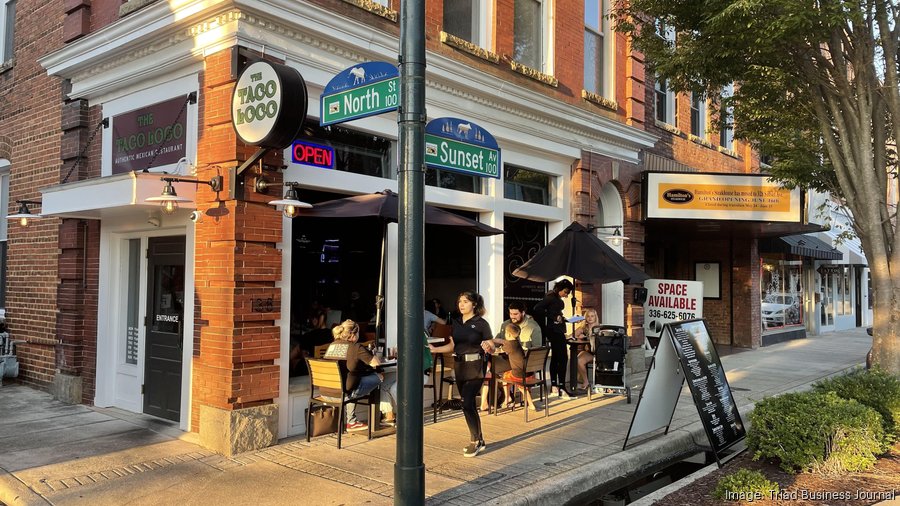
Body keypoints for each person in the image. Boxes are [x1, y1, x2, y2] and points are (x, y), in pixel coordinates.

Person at [429, 290, 493, 457]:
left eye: (465, 301)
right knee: (469, 405)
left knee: (466, 402)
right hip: (460, 366)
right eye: (460, 302)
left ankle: (475, 441)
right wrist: (435, 349)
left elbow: (491, 345)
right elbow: (453, 346)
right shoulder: (456, 323)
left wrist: (489, 347)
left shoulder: (481, 323)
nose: (461, 304)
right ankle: (480, 439)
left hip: (476, 365)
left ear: (474, 304)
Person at [331, 320, 396, 432]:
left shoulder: (333, 345)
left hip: (328, 392)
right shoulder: (356, 347)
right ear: (353, 334)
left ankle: (352, 421)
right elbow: (376, 363)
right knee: (379, 377)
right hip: (344, 393)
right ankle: (376, 418)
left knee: (353, 381)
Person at [481, 323, 541, 411]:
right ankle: (511, 399)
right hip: (528, 372)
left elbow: (496, 350)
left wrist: (490, 347)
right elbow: (502, 341)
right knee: (508, 374)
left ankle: (508, 398)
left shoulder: (509, 345)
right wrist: (491, 340)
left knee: (506, 377)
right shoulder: (516, 342)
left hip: (519, 374)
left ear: (508, 334)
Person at [532, 279, 574, 398]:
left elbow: (554, 313)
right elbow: (537, 308)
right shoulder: (551, 298)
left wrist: (561, 318)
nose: (566, 295)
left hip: (556, 330)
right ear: (560, 289)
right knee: (563, 358)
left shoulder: (554, 298)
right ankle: (561, 387)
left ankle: (555, 386)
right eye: (565, 292)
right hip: (554, 331)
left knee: (556, 357)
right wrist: (553, 317)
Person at [575, 308, 600, 391]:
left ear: (595, 317)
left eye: (592, 316)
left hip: (598, 353)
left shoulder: (599, 328)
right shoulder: (583, 328)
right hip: (589, 352)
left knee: (580, 358)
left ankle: (583, 380)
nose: (590, 318)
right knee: (578, 359)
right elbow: (572, 336)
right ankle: (585, 381)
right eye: (588, 316)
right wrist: (578, 336)